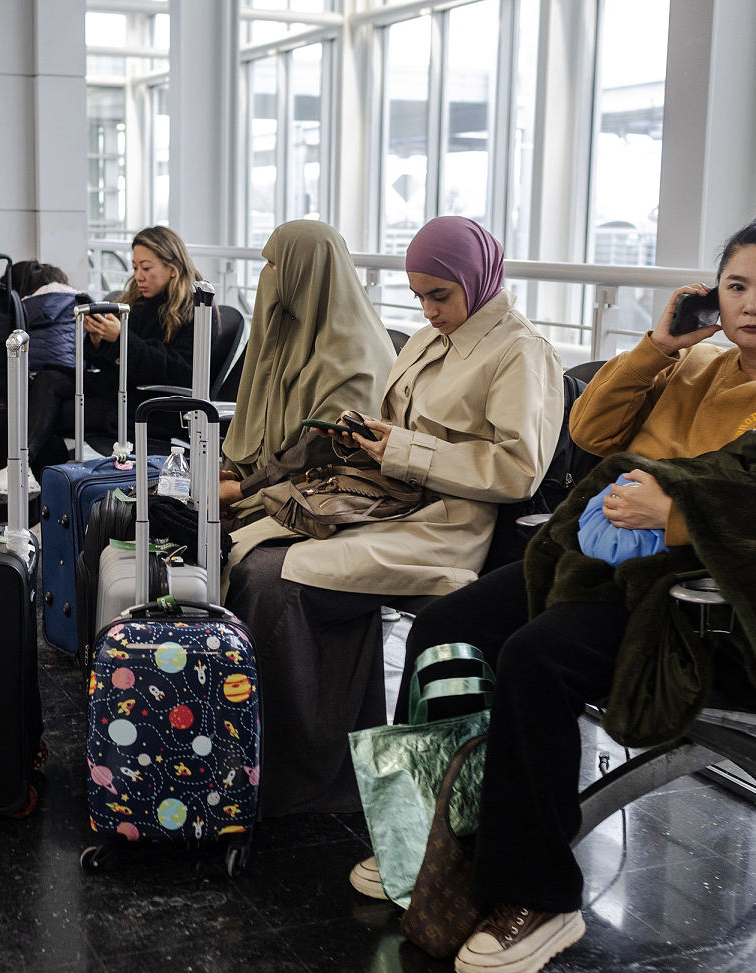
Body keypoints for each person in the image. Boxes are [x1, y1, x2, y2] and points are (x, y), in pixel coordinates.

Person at [376, 206, 756, 973]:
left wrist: (676, 520)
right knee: (447, 625)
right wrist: (660, 344)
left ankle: (538, 896)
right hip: (604, 569)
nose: (751, 303)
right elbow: (592, 429)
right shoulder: (691, 367)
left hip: (698, 614)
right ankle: (433, 834)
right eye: (736, 285)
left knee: (534, 658)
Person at [224, 215, 563, 818]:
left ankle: (304, 781)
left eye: (440, 295)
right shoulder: (430, 341)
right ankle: (298, 762)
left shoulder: (519, 352)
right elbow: (409, 430)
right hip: (394, 505)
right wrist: (376, 439)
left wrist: (403, 450)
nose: (429, 310)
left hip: (451, 529)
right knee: (252, 553)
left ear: (479, 279)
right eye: (419, 297)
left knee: (275, 581)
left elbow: (519, 471)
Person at [218, 219, 397, 520]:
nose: (266, 276)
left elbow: (319, 451)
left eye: (273, 265)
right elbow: (255, 413)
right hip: (268, 482)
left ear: (305, 273)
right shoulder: (293, 331)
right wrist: (233, 473)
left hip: (315, 495)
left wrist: (242, 489)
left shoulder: (355, 354)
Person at [80, 226, 218, 452]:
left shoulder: (197, 308)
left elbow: (180, 371)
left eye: (146, 268)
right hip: (124, 391)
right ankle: (29, 466)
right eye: (135, 267)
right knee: (50, 379)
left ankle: (29, 467)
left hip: (154, 405)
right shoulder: (139, 300)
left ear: (173, 268)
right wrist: (98, 338)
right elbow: (115, 364)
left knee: (59, 408)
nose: (138, 276)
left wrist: (122, 338)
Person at [0, 260, 91, 498]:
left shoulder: (22, 307)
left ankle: (23, 476)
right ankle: (47, 497)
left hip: (50, 382)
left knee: (31, 404)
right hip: (82, 382)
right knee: (45, 416)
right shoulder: (84, 301)